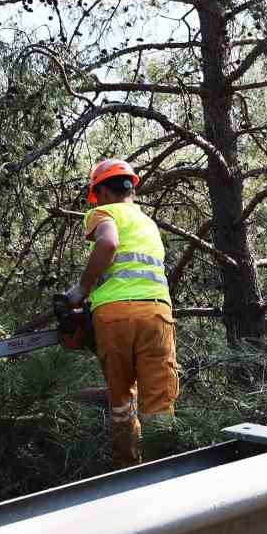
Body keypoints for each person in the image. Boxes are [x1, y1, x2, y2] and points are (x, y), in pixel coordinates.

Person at [67, 158, 178, 467]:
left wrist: (82, 289)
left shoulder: (103, 213)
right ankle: (166, 467)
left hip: (113, 316)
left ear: (100, 192)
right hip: (156, 313)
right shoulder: (149, 223)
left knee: (121, 401)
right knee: (158, 400)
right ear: (131, 187)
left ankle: (127, 469)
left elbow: (108, 243)